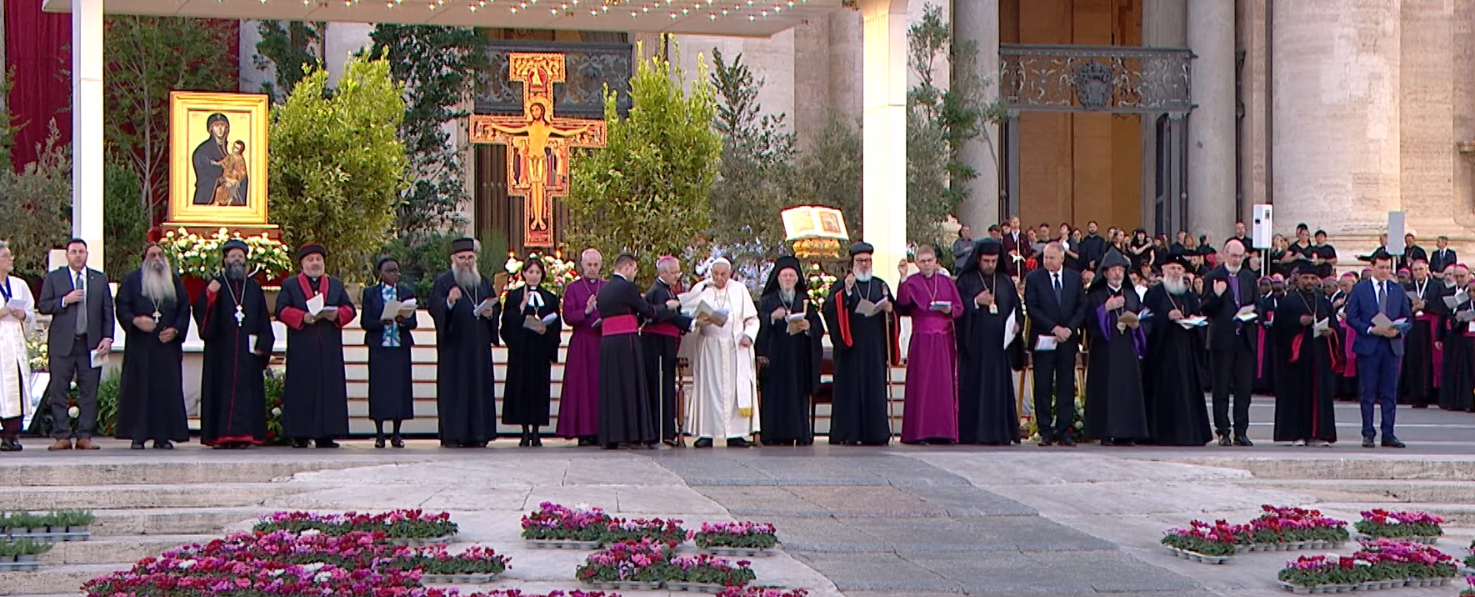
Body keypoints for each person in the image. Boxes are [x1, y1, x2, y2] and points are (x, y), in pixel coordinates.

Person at [193, 239, 274, 448]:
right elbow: (201, 311)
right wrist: (210, 295)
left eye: (240, 256)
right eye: (233, 256)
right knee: (221, 390)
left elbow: (263, 319)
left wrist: (263, 344)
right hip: (221, 351)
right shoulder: (217, 284)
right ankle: (220, 437)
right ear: (225, 260)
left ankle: (245, 436)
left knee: (247, 392)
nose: (237, 259)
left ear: (246, 260)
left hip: (247, 352)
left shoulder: (254, 288)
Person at [274, 244, 356, 449]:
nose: (315, 263)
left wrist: (336, 314)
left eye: (318, 259)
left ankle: (326, 435)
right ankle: (300, 434)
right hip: (303, 347)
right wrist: (302, 317)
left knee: (329, 390)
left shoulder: (335, 285)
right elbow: (281, 310)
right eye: (310, 260)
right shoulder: (290, 285)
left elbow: (349, 309)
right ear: (302, 264)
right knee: (301, 389)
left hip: (329, 348)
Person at [597, 253, 682, 449]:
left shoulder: (604, 289)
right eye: (634, 269)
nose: (634, 274)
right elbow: (647, 310)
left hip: (608, 343)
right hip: (626, 341)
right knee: (629, 386)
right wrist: (666, 307)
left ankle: (611, 435)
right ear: (627, 267)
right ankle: (631, 434)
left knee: (612, 388)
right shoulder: (627, 287)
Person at [37, 238, 114, 451]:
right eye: (74, 252)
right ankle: (62, 435)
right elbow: (43, 305)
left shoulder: (98, 279)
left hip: (91, 344)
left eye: (81, 251)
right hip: (62, 344)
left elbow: (107, 311)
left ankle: (84, 436)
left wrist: (107, 337)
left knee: (89, 390)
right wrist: (65, 300)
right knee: (59, 390)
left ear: (87, 254)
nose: (78, 255)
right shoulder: (55, 278)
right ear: (67, 255)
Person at [113, 242, 191, 449]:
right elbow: (122, 306)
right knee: (139, 389)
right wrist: (135, 321)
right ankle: (138, 435)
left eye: (160, 255)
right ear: (144, 259)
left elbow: (184, 308)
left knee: (165, 391)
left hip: (167, 347)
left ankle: (162, 436)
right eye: (152, 255)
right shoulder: (132, 280)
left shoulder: (173, 280)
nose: (157, 259)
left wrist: (175, 330)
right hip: (141, 346)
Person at [429, 238, 501, 448]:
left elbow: (495, 306)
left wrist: (490, 313)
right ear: (453, 259)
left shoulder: (483, 282)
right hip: (454, 348)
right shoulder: (444, 281)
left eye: (470, 257)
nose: (467, 262)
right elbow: (435, 308)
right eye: (462, 258)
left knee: (479, 389)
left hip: (478, 348)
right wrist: (449, 301)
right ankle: (453, 434)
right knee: (455, 390)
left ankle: (479, 434)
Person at [823, 242, 896, 446]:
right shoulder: (843, 285)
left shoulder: (880, 285)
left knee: (874, 388)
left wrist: (890, 311)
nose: (864, 264)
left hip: (874, 348)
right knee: (850, 390)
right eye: (860, 261)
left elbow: (893, 315)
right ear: (852, 263)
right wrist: (846, 294)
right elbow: (829, 310)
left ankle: (876, 434)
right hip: (850, 349)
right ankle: (848, 432)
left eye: (867, 261)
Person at [684, 258, 761, 447]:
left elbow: (753, 320)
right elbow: (688, 314)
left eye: (723, 274)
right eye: (716, 274)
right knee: (708, 390)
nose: (719, 278)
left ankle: (736, 434)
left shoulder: (739, 290)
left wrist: (748, 335)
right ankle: (706, 433)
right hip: (709, 348)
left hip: (735, 347)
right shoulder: (702, 289)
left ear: (730, 273)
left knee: (734, 390)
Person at [955, 239, 1023, 445]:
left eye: (994, 261)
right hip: (975, 345)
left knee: (997, 389)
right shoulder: (966, 280)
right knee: (974, 388)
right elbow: (958, 308)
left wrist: (1018, 324)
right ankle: (973, 433)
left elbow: (1016, 308)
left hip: (999, 346)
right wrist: (975, 302)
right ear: (978, 259)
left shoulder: (1004, 281)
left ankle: (999, 433)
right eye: (986, 261)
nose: (990, 265)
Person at [1141, 251, 1212, 446]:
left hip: (1186, 353)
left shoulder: (1188, 295)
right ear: (1164, 270)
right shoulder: (1154, 294)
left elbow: (1198, 318)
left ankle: (1188, 434)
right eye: (1172, 268)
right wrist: (1166, 317)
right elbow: (1146, 322)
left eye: (1179, 269)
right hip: (1163, 353)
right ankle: (1161, 435)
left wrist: (1193, 320)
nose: (1176, 272)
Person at [895, 245, 962, 444]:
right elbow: (903, 304)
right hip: (922, 339)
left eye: (929, 261)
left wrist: (949, 309)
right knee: (922, 386)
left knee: (943, 386)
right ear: (916, 263)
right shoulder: (912, 282)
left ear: (935, 261)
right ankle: (919, 432)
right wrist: (903, 277)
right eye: (922, 261)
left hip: (943, 340)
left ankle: (945, 433)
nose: (926, 265)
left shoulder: (946, 282)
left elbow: (959, 307)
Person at [1081, 249, 1148, 445]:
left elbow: (1144, 318)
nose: (1118, 274)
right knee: (1106, 389)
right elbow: (1088, 322)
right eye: (1113, 270)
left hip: (1127, 350)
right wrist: (1105, 309)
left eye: (1121, 270)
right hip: (1105, 351)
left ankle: (1127, 433)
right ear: (1105, 273)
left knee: (1127, 389)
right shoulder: (1096, 295)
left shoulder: (1131, 295)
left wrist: (1137, 325)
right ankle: (1105, 432)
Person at [1345, 252, 1411, 448]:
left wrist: (1398, 330)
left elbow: (1408, 318)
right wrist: (1369, 329)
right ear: (1373, 267)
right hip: (1369, 345)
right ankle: (1368, 433)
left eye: (1388, 268)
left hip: (1391, 346)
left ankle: (1388, 433)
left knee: (1390, 392)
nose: (1384, 271)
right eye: (1381, 267)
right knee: (1368, 392)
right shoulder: (1360, 289)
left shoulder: (1397, 289)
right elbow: (1351, 317)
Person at [756, 256, 823, 447]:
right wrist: (771, 317)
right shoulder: (767, 301)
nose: (787, 279)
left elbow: (817, 327)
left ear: (797, 279)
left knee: (797, 394)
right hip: (775, 359)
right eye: (784, 276)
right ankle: (772, 435)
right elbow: (757, 324)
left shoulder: (804, 301)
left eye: (791, 276)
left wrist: (808, 326)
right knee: (774, 396)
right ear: (777, 278)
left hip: (798, 358)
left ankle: (799, 434)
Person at [1024, 242, 1086, 447]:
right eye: (1046, 257)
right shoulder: (1034, 278)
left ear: (1062, 258)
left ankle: (1063, 430)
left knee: (1066, 385)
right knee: (1043, 385)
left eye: (1052, 258)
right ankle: (1045, 430)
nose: (1047, 261)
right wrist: (1053, 328)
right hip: (1044, 340)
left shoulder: (1074, 278)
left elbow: (1081, 306)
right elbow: (1032, 307)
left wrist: (1069, 328)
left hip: (1067, 340)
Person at [1200, 239, 1259, 447]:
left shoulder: (1249, 277)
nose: (1237, 260)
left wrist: (1253, 314)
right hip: (1222, 340)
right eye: (1233, 256)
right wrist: (1217, 296)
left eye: (1240, 256)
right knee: (1221, 388)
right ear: (1225, 254)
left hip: (1244, 339)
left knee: (1244, 389)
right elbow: (1205, 308)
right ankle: (1223, 431)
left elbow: (1258, 304)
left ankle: (1241, 431)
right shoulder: (1212, 277)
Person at [1272, 263, 1339, 446]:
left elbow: (1334, 325)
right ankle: (1297, 434)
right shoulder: (1288, 301)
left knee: (1319, 395)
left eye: (1312, 278)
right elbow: (1278, 329)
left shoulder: (1322, 300)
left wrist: (1330, 331)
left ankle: (1318, 434)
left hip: (1319, 355)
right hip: (1297, 357)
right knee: (1297, 395)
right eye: (1306, 278)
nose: (1309, 282)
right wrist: (1297, 322)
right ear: (1298, 279)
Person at [501, 257, 563, 447]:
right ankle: (524, 431)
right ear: (524, 274)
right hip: (521, 351)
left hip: (540, 351)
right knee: (521, 390)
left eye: (537, 272)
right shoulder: (514, 296)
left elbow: (556, 324)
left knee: (539, 390)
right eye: (530, 272)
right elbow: (506, 324)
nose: (534, 276)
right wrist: (521, 308)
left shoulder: (549, 298)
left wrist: (546, 331)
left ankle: (536, 432)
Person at [360, 256, 418, 448]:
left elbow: (413, 323)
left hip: (399, 348)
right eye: (390, 271)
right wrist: (380, 322)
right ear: (381, 273)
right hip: (380, 348)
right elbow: (365, 322)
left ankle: (396, 433)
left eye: (396, 271)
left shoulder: (406, 292)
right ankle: (379, 434)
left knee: (399, 391)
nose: (394, 274)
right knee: (379, 391)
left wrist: (403, 321)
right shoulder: (371, 293)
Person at [642, 256, 694, 445]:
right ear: (662, 272)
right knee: (659, 386)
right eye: (673, 272)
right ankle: (659, 433)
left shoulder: (669, 290)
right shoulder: (657, 291)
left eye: (678, 272)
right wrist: (690, 323)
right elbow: (662, 315)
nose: (676, 276)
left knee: (667, 385)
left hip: (667, 343)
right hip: (657, 344)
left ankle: (667, 431)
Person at [558, 249, 604, 446]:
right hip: (582, 343)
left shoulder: (606, 286)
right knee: (582, 387)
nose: (592, 269)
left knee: (599, 387)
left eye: (595, 265)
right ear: (582, 266)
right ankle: (583, 432)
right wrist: (585, 311)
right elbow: (568, 316)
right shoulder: (573, 288)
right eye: (589, 265)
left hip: (601, 341)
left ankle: (600, 429)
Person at [0, 241, 36, 451]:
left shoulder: (19, 285)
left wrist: (23, 315)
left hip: (15, 340)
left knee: (17, 386)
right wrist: (3, 312)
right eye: (5, 256)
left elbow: (30, 311)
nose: (10, 259)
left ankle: (12, 434)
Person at [1400, 259, 1441, 408]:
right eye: (1415, 270)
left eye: (1421, 269)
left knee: (1429, 361)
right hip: (1413, 327)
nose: (1418, 272)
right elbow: (1401, 307)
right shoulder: (1408, 287)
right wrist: (1412, 309)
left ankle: (1429, 394)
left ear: (1427, 269)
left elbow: (1441, 305)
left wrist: (1426, 305)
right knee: (1413, 360)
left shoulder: (1436, 285)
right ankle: (1415, 395)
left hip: (1429, 326)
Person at [1439, 266, 1475, 412]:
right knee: (1463, 373)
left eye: (1462, 276)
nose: (1472, 294)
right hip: (1463, 340)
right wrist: (1459, 319)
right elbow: (1447, 318)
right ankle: (1463, 401)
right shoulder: (1456, 297)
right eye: (1457, 276)